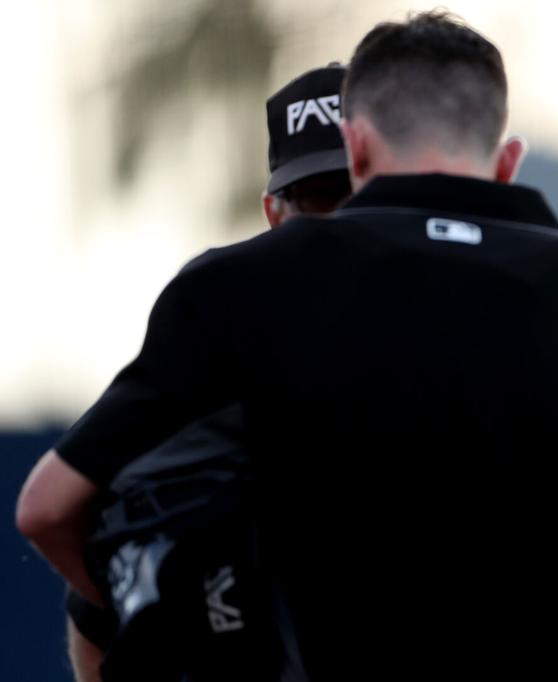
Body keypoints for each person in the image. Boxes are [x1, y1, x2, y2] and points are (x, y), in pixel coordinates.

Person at [18, 11, 558, 680]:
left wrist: (184, 620)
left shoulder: (234, 292)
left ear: (358, 146)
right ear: (508, 160)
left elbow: (47, 510)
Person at [61, 63, 353, 682]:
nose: (338, 227)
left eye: (357, 197)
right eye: (319, 200)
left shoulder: (468, 339)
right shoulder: (217, 339)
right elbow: (95, 603)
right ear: (274, 212)